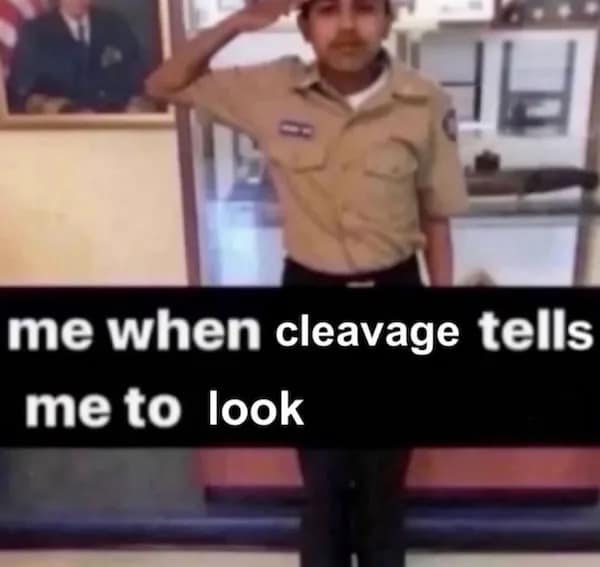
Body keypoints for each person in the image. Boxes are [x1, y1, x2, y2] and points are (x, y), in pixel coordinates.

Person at [145, 1, 469, 566]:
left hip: (395, 297)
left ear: (388, 20)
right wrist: (238, 22)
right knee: (323, 479)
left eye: (364, 9)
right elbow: (163, 84)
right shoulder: (271, 90)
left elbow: (436, 216)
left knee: (383, 481)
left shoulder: (425, 101)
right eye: (327, 11)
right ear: (304, 25)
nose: (346, 26)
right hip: (309, 299)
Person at [7, 0, 149, 114]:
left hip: (113, 123)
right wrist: (65, 111)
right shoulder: (35, 33)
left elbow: (138, 78)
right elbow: (22, 91)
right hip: (62, 128)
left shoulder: (116, 25)